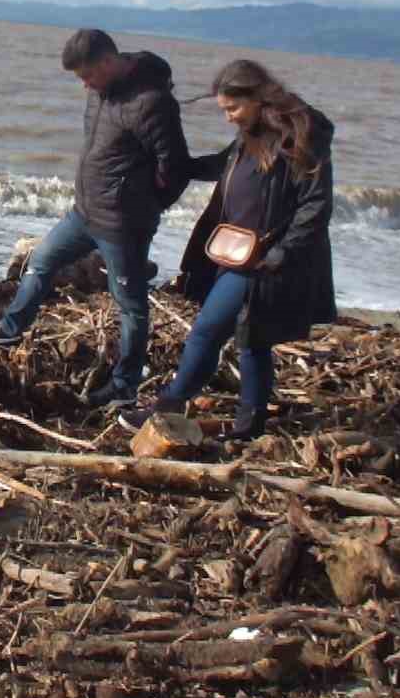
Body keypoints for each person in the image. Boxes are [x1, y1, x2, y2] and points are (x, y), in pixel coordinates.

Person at [118, 58, 335, 440]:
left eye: (233, 108)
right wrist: (170, 165)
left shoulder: (299, 135)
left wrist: (281, 255)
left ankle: (167, 407)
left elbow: (316, 204)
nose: (229, 117)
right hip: (238, 251)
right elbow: (223, 166)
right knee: (253, 339)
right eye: (224, 109)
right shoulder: (250, 134)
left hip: (266, 260)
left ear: (257, 97)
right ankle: (250, 425)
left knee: (207, 332)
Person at [0, 29, 190, 409]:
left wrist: (143, 208)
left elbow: (176, 169)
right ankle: (9, 332)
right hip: (83, 212)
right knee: (41, 262)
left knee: (130, 305)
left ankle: (124, 386)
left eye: (86, 77)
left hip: (123, 225)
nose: (83, 86)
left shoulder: (152, 103)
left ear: (108, 63)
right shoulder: (100, 92)